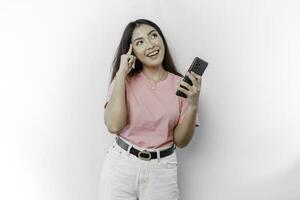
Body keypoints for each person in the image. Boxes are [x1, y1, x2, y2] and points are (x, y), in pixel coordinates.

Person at [99, 19, 202, 200]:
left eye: (153, 35)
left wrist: (193, 104)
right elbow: (114, 126)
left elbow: (181, 141)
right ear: (132, 51)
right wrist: (121, 74)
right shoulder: (123, 80)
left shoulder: (180, 85)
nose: (150, 45)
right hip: (121, 165)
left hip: (162, 170)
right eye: (140, 42)